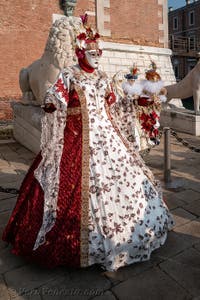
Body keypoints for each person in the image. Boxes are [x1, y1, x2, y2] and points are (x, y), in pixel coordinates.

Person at [2, 15, 174, 272]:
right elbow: (54, 96)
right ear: (80, 52)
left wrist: (137, 102)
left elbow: (115, 103)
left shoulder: (105, 78)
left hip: (108, 140)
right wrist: (52, 104)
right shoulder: (69, 75)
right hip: (75, 139)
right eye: (91, 51)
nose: (96, 54)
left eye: (99, 51)